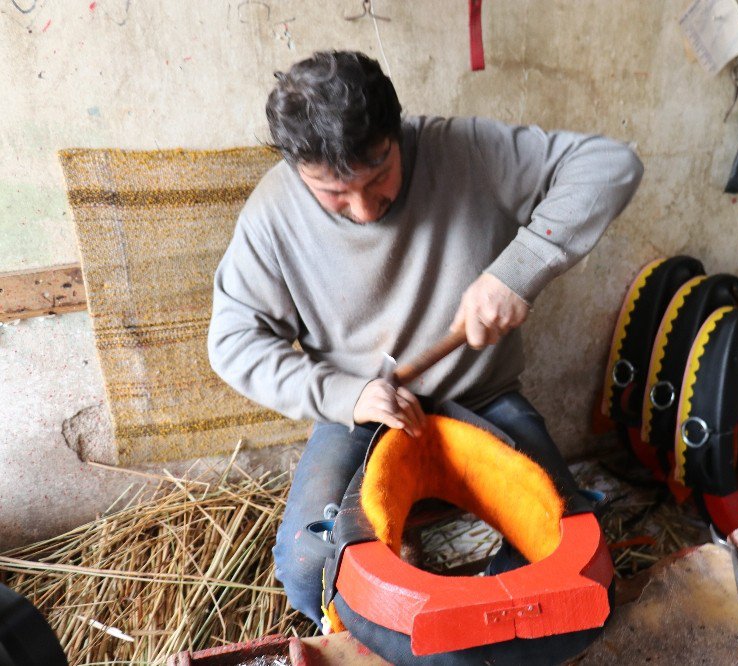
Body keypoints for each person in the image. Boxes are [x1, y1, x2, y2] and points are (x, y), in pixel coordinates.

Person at [207, 50, 643, 627]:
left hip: (480, 394)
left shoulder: (462, 150)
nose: (364, 209)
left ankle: (492, 625)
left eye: (379, 173)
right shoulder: (273, 215)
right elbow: (234, 341)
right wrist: (345, 395)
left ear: (398, 132)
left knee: (567, 559)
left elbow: (610, 164)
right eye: (333, 191)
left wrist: (519, 269)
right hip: (360, 413)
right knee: (309, 564)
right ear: (296, 168)